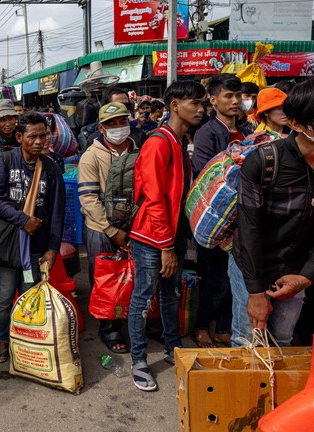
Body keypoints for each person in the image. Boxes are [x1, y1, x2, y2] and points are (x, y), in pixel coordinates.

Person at [230, 77, 314, 348]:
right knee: (248, 342)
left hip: (299, 266)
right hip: (252, 263)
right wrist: (255, 292)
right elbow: (249, 227)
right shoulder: (264, 161)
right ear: (296, 124)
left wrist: (305, 276)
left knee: (282, 339)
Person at [128, 80, 204, 391]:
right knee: (143, 299)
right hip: (151, 237)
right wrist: (165, 247)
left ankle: (173, 347)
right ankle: (139, 359)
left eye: (202, 104)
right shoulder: (159, 143)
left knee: (171, 294)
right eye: (194, 104)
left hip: (169, 236)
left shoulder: (178, 141)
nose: (201, 109)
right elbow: (155, 198)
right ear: (174, 105)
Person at [0, 112, 65, 363]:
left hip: (35, 248)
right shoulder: (4, 160)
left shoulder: (52, 168)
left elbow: (56, 211)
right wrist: (24, 220)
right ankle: (3, 338)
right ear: (20, 137)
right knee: (6, 295)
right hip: (9, 247)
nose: (40, 141)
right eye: (33, 136)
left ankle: (26, 337)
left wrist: (53, 248)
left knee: (29, 292)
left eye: (44, 135)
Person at [190, 75, 251, 349]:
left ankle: (226, 327)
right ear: (213, 100)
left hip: (245, 222)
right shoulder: (208, 132)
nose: (236, 101)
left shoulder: (249, 131)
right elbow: (208, 175)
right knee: (215, 279)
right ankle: (202, 326)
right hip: (218, 221)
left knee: (236, 281)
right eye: (228, 96)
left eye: (238, 95)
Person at [78, 102, 138, 354]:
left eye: (122, 122)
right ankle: (109, 328)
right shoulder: (90, 157)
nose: (118, 128)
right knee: (105, 280)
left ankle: (132, 321)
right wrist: (112, 230)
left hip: (133, 226)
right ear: (101, 128)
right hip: (100, 229)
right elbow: (88, 199)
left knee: (133, 277)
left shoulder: (138, 151)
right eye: (111, 124)